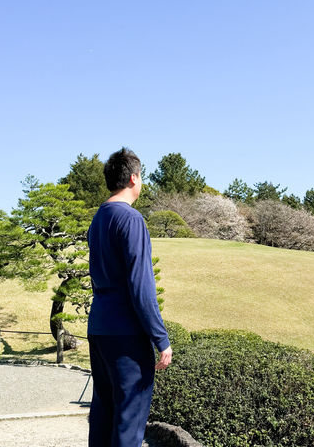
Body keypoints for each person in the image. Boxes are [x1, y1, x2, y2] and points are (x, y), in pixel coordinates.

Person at [87, 147, 172, 447]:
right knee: (129, 419)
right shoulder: (131, 220)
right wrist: (160, 338)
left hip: (99, 327)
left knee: (103, 412)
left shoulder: (97, 220)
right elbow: (141, 286)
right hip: (126, 333)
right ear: (134, 178)